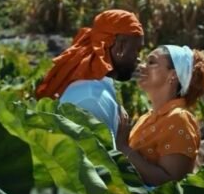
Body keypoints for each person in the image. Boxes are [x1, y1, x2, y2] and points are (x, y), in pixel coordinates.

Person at [35, 10, 144, 139]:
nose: (138, 58)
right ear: (120, 47)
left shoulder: (93, 89)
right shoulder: (92, 99)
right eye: (137, 50)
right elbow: (100, 158)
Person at [116, 45, 204, 186]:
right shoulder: (146, 118)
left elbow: (170, 183)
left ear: (172, 75)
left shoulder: (179, 119)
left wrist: (124, 149)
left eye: (151, 62)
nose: (142, 66)